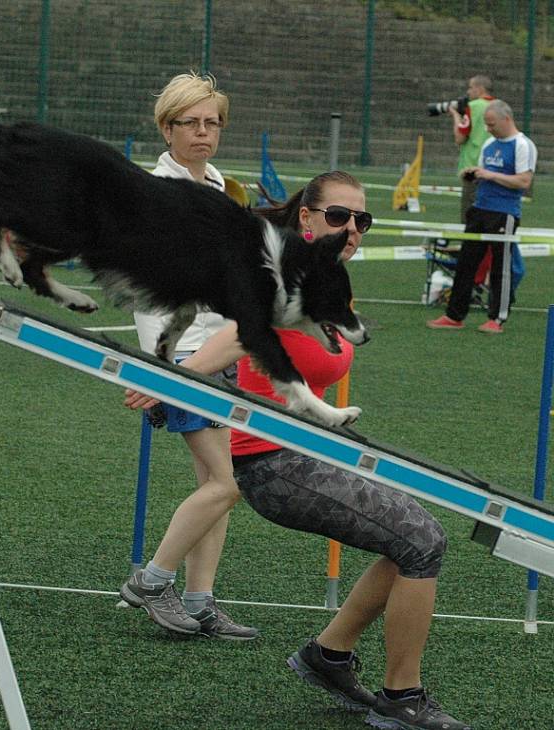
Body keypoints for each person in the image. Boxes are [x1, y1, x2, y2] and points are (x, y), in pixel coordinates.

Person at [127, 171, 472, 730]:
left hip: (303, 452)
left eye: (362, 220)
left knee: (414, 538)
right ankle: (401, 698)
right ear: (307, 219)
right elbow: (240, 332)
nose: (353, 229)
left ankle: (329, 656)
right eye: (340, 217)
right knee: (423, 541)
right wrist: (173, 377)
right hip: (275, 464)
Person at [118, 72, 258, 640]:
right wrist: (162, 369)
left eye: (211, 123)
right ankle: (152, 580)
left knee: (213, 484)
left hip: (219, 350)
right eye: (190, 123)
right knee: (227, 484)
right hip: (183, 359)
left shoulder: (219, 185)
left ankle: (200, 600)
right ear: (166, 128)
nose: (203, 133)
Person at [428, 99, 537, 334]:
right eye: (486, 124)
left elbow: (524, 181)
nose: (488, 129)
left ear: (507, 119)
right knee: (466, 263)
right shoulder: (489, 144)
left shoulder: (522, 145)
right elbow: (485, 175)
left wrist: (490, 174)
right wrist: (474, 175)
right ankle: (454, 315)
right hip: (480, 209)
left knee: (501, 267)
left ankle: (497, 318)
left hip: (504, 213)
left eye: (491, 124)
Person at [450, 74, 494, 220]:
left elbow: (460, 138)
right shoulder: (499, 106)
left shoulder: (473, 107)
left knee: (470, 214)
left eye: (470, 88)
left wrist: (456, 116)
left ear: (479, 89)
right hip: (494, 167)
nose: (468, 92)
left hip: (472, 167)